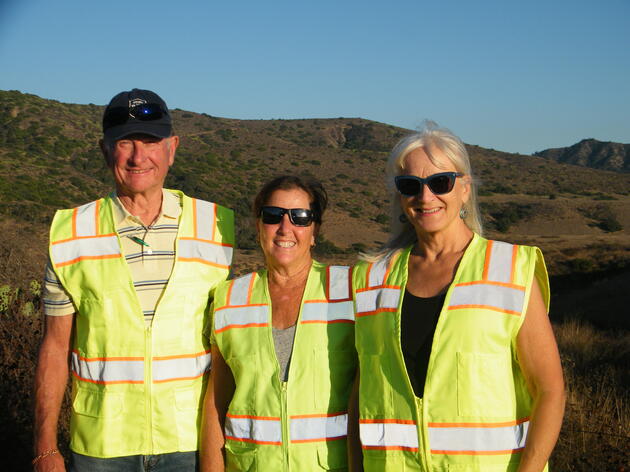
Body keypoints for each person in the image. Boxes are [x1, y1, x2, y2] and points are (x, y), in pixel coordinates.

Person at [33, 88, 235, 471]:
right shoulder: (70, 233)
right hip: (101, 446)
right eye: (125, 141)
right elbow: (55, 348)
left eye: (150, 141)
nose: (138, 156)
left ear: (172, 148)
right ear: (104, 149)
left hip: (190, 442)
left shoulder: (218, 228)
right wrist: (45, 447)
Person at [350, 122, 565, 472]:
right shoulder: (370, 278)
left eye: (440, 182)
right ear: (399, 196)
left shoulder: (511, 268)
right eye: (410, 186)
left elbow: (550, 390)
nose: (425, 197)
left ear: (465, 189)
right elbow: (361, 394)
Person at [201, 176, 357, 471]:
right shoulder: (229, 298)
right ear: (258, 226)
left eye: (300, 217)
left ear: (314, 231)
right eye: (273, 216)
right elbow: (216, 404)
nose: (286, 228)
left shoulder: (348, 291)